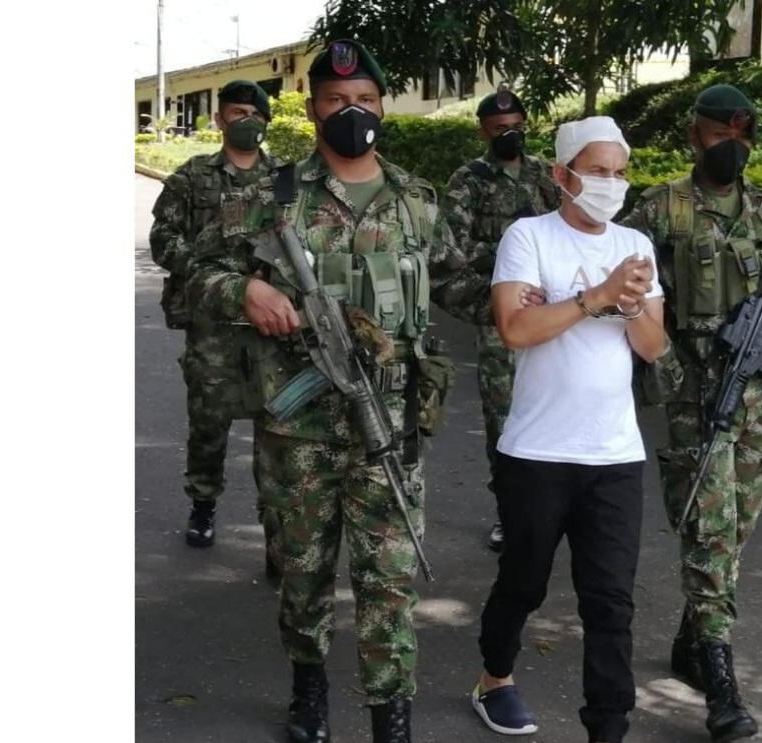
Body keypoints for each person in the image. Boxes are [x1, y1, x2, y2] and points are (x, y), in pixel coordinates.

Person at [188, 39, 457, 743]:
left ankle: (389, 715)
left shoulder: (417, 203)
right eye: (337, 102)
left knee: (389, 582)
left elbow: (466, 282)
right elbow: (197, 276)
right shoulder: (270, 199)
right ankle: (308, 687)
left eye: (365, 101)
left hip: (390, 427)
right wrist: (245, 288)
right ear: (311, 111)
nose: (352, 113)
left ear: (383, 109)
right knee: (304, 573)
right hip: (298, 428)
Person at [620, 83, 762, 742]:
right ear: (694, 135)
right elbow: (622, 283)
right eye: (717, 136)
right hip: (696, 396)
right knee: (710, 530)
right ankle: (721, 680)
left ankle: (690, 640)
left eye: (739, 137)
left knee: (734, 531)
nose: (728, 148)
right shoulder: (661, 210)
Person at [470, 116, 665, 743]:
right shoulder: (529, 237)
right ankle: (494, 679)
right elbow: (516, 330)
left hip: (614, 453)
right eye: (597, 171)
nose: (611, 183)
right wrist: (594, 297)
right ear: (562, 175)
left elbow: (655, 347)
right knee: (523, 581)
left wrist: (630, 306)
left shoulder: (636, 244)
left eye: (620, 172)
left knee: (610, 602)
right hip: (537, 449)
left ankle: (608, 727)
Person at [149, 79, 282, 575]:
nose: (243, 119)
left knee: (278, 425)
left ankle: (277, 528)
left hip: (272, 323)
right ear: (220, 119)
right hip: (211, 321)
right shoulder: (192, 176)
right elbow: (163, 239)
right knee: (210, 421)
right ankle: (203, 505)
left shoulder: (287, 179)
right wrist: (210, 270)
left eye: (252, 111)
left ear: (264, 119)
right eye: (234, 112)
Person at [434, 85, 560, 552]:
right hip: (501, 316)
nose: (510, 134)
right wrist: (510, 247)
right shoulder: (469, 181)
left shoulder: (548, 176)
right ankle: (508, 511)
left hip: (555, 312)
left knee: (554, 411)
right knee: (504, 419)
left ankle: (549, 511)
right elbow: (451, 250)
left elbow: (574, 228)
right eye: (499, 129)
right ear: (484, 131)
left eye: (516, 127)